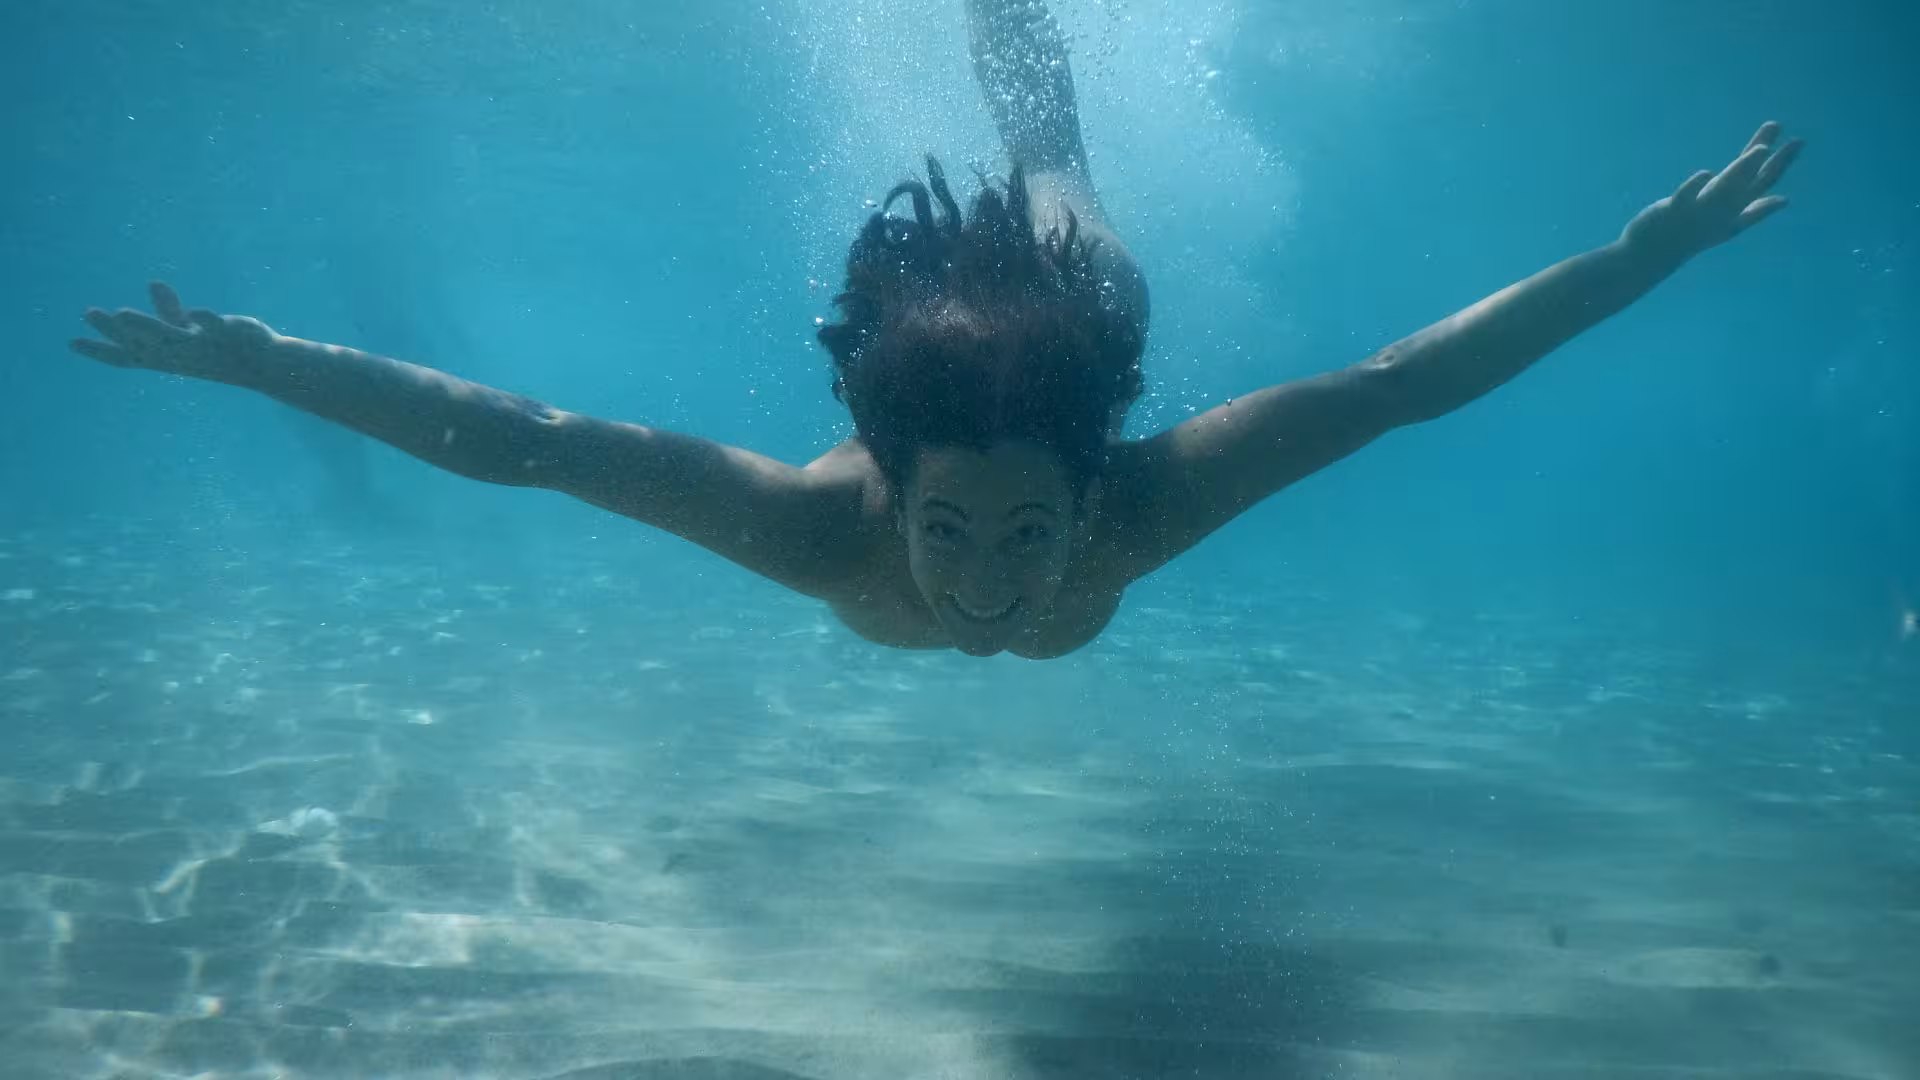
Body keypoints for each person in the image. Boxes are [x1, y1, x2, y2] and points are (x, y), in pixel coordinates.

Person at [70, 0, 1802, 659]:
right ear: (887, 490)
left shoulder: (1144, 491)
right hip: (960, 366)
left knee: (1051, 165)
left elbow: (1402, 386)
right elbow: (526, 444)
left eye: (1027, 533)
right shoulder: (821, 522)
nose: (987, 580)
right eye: (959, 533)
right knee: (1027, 190)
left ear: (1092, 489)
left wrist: (1638, 257)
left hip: (1079, 328)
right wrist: (262, 359)